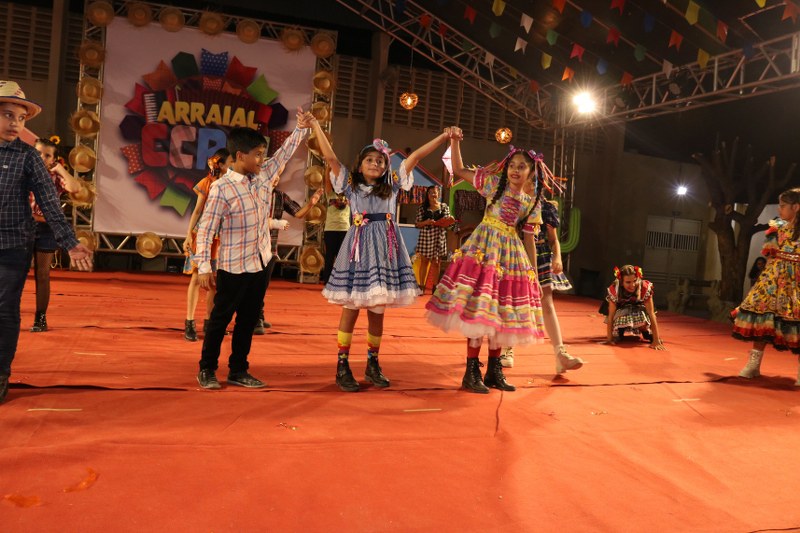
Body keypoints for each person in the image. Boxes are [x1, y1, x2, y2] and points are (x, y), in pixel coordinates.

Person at [311, 116, 451, 392]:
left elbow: (417, 155)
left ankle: (372, 362)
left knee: (377, 309)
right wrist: (316, 124)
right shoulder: (349, 184)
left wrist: (444, 137)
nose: (375, 164)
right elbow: (330, 156)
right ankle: (342, 364)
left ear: (387, 166)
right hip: (358, 250)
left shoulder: (394, 184)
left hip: (385, 251)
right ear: (359, 165)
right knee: (351, 306)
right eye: (370, 160)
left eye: (380, 161)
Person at [193, 109, 313, 390]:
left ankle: (238, 369)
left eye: (263, 154)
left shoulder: (263, 177)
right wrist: (204, 267)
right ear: (239, 156)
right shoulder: (221, 188)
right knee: (220, 319)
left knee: (248, 320)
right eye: (257, 155)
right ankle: (207, 369)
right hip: (233, 266)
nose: (262, 160)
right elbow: (206, 229)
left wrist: (301, 128)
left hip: (262, 262)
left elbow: (284, 154)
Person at [425, 130, 547, 394]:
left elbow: (529, 239)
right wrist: (455, 142)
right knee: (480, 309)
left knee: (500, 311)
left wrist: (534, 276)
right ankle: (471, 371)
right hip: (485, 250)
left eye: (522, 167)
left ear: (531, 172)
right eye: (512, 165)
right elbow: (458, 169)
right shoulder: (492, 184)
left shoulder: (532, 202)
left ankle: (493, 370)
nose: (515, 170)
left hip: (510, 256)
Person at [0, 80, 93, 404]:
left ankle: (1, 372)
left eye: (21, 118)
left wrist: (70, 242)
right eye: (8, 115)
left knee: (5, 309)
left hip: (13, 245)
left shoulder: (29, 157)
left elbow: (50, 203)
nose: (15, 123)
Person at [499, 198, 584, 374]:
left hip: (541, 256)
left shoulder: (546, 207)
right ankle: (507, 348)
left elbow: (553, 240)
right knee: (512, 303)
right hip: (517, 256)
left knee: (547, 302)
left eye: (535, 183)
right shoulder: (512, 202)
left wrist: (557, 256)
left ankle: (560, 353)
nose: (532, 185)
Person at [733, 188, 800, 385]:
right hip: (774, 281)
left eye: (783, 206)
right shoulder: (776, 227)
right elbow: (770, 257)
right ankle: (753, 364)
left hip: (796, 281)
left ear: (796, 207)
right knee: (763, 318)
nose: (779, 209)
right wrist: (763, 283)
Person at [253, 163, 324, 334]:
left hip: (270, 248)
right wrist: (273, 223)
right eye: (273, 174)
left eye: (278, 175)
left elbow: (298, 213)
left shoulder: (280, 196)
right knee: (254, 285)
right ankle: (253, 319)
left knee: (262, 284)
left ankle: (258, 315)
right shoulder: (252, 194)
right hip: (251, 247)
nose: (276, 178)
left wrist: (311, 203)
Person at [29, 136, 82, 332]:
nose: (42, 158)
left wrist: (60, 169)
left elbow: (75, 188)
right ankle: (8, 315)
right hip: (21, 227)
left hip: (46, 229)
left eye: (47, 155)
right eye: (38, 153)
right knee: (14, 273)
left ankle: (40, 318)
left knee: (42, 273)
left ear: (53, 159)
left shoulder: (55, 177)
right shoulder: (23, 172)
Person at [181, 148, 232, 341]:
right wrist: (188, 235)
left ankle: (210, 322)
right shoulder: (207, 182)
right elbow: (197, 211)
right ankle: (189, 322)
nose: (233, 166)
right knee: (196, 278)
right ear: (221, 165)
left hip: (222, 237)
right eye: (230, 162)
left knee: (215, 282)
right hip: (203, 234)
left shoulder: (234, 184)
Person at [602, 265, 665, 350]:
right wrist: (609, 339)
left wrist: (656, 340)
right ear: (621, 282)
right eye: (628, 282)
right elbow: (611, 316)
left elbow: (651, 314)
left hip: (639, 310)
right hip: (622, 312)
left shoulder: (644, 288)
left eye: (634, 281)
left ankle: (646, 332)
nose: (632, 285)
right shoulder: (615, 290)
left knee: (641, 316)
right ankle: (619, 332)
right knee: (620, 316)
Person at [414, 185, 456, 294]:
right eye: (430, 192)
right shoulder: (422, 208)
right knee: (424, 261)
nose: (433, 194)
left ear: (439, 194)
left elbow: (448, 224)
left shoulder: (444, 206)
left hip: (439, 237)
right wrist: (427, 222)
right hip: (425, 237)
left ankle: (434, 287)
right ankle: (421, 287)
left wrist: (448, 221)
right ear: (427, 195)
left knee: (436, 263)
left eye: (435, 192)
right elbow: (417, 224)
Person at [321, 171, 350, 284]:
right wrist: (328, 168)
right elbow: (327, 181)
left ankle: (340, 281)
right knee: (329, 256)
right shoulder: (330, 193)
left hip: (344, 229)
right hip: (330, 229)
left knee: (342, 258)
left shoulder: (349, 194)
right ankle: (327, 281)